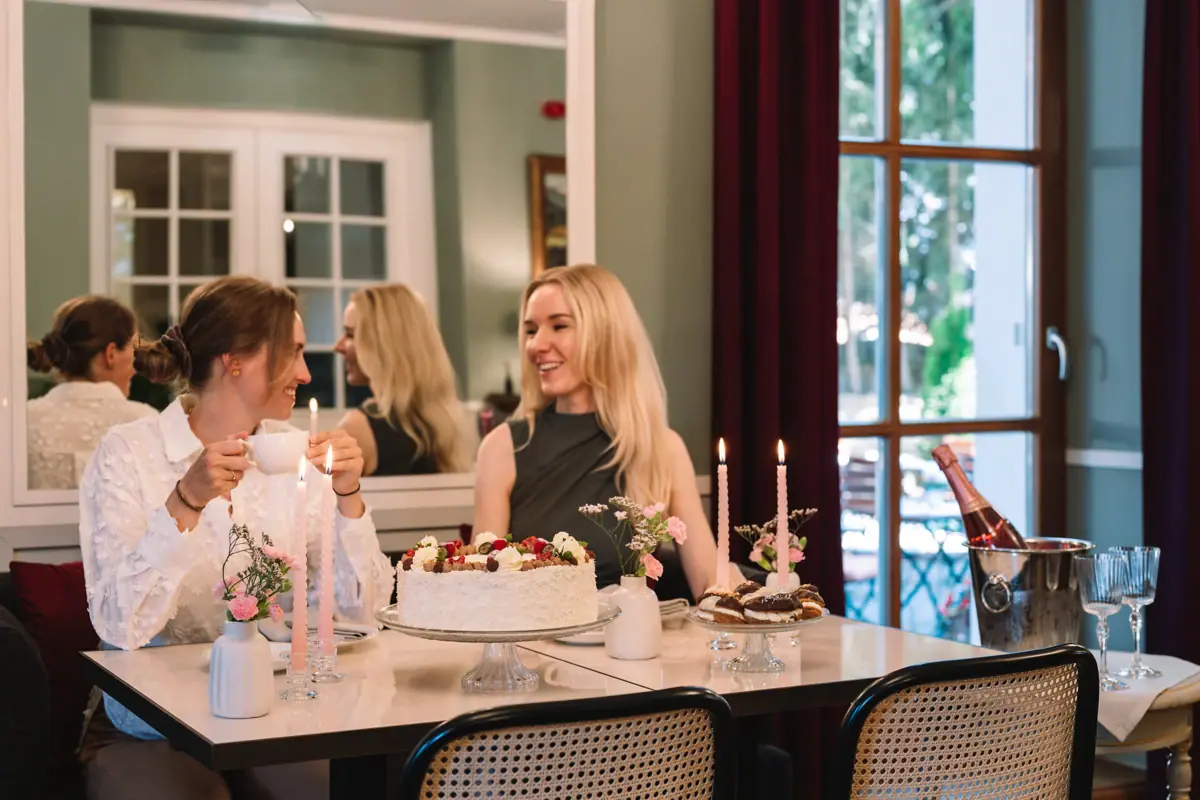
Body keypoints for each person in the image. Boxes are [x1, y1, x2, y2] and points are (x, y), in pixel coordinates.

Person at [77, 276, 392, 800]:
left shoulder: (295, 455)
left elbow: (360, 616)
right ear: (236, 360)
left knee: (341, 790)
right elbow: (118, 623)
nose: (307, 373)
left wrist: (348, 497)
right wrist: (186, 501)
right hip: (152, 729)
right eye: (293, 353)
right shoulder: (129, 454)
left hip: (275, 717)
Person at [473, 265, 731, 600]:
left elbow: (711, 586)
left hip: (632, 647)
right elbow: (481, 590)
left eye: (559, 325)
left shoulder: (661, 448)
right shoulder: (503, 448)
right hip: (535, 651)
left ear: (605, 333)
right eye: (531, 330)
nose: (537, 344)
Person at [334, 284, 469, 476]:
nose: (337, 346)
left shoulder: (357, 430)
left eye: (350, 335)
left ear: (382, 345)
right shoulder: (443, 423)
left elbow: (319, 500)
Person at [26, 296, 157, 489]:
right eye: (133, 350)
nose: (136, 367)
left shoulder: (22, 422)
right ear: (111, 354)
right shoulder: (144, 423)